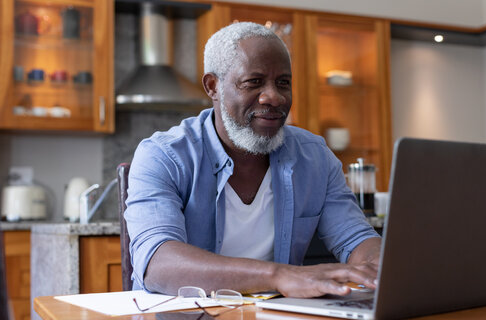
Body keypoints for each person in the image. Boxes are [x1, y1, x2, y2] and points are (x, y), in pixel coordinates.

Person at [125, 22, 381, 298]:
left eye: (283, 83)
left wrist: (378, 264)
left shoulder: (314, 156)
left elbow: (355, 238)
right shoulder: (163, 156)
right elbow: (157, 263)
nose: (274, 96)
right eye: (253, 82)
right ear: (213, 87)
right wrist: (279, 275)